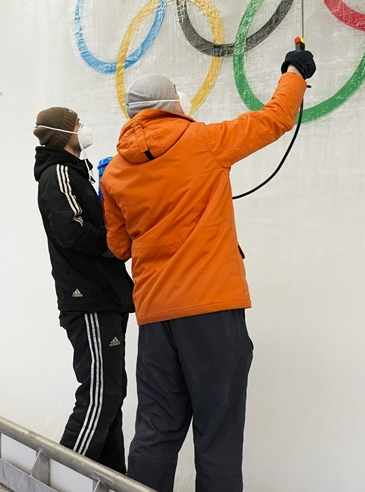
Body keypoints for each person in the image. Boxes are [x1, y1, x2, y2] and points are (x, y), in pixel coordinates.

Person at [100, 48, 316, 491]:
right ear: (170, 105)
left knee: (156, 430)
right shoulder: (205, 141)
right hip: (212, 309)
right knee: (217, 430)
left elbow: (118, 246)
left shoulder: (116, 172)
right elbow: (274, 119)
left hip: (157, 316)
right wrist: (294, 70)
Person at [32, 106, 136, 473]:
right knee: (99, 395)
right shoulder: (58, 172)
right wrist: (116, 244)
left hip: (104, 296)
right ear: (63, 134)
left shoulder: (76, 171)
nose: (83, 128)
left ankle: (109, 479)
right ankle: (60, 479)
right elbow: (71, 230)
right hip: (86, 297)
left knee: (112, 393)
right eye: (77, 124)